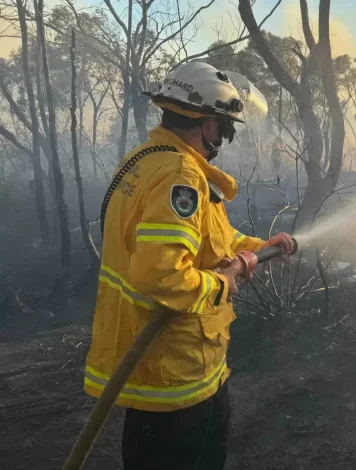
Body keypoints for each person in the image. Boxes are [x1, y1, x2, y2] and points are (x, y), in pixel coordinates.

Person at [83, 61, 295, 470]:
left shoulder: (147, 160)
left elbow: (209, 239)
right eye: (224, 125)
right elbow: (162, 274)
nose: (227, 135)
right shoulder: (180, 178)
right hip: (177, 379)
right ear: (207, 125)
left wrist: (258, 246)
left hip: (158, 368)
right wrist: (221, 283)